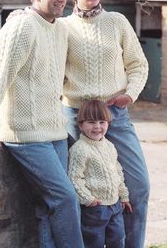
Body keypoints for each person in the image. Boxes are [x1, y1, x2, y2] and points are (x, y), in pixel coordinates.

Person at [0, 0, 84, 247]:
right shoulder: (22, 26)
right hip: (27, 135)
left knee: (49, 206)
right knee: (66, 198)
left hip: (55, 131)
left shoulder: (60, 29)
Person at [61, 0, 150, 247]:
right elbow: (50, 69)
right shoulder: (62, 28)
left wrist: (130, 94)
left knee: (139, 186)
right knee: (75, 188)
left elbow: (138, 64)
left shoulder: (117, 21)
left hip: (114, 113)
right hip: (75, 115)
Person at [68, 99, 133, 248]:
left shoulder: (109, 146)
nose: (97, 127)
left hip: (115, 206)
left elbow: (117, 172)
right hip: (95, 209)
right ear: (80, 125)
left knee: (117, 241)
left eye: (102, 122)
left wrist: (123, 195)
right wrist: (88, 199)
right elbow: (74, 177)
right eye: (91, 122)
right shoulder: (80, 149)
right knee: (93, 243)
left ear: (108, 123)